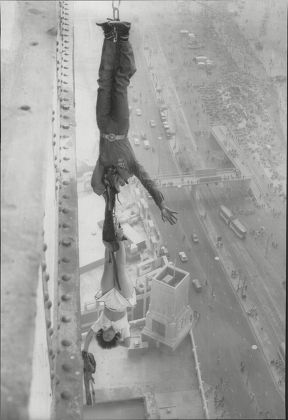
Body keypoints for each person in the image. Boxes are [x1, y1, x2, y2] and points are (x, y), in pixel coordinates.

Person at [90, 19, 177, 226]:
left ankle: (110, 36)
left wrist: (107, 196)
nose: (118, 182)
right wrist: (160, 204)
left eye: (116, 184)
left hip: (103, 125)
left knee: (104, 81)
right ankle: (124, 36)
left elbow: (95, 185)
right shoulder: (130, 167)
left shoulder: (103, 166)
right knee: (119, 83)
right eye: (120, 184)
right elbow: (148, 182)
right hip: (120, 127)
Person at [83, 227, 135, 350]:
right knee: (121, 269)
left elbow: (89, 334)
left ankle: (109, 240)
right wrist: (118, 343)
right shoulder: (123, 329)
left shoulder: (101, 324)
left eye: (104, 336)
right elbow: (127, 344)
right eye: (109, 338)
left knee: (108, 266)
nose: (107, 335)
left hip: (108, 297)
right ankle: (120, 238)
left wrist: (85, 350)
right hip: (123, 299)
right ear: (113, 339)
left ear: (101, 333)